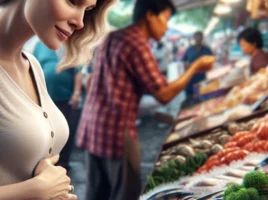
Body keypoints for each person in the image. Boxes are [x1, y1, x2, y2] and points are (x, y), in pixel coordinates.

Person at [0, 0, 115, 199]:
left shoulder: (32, 65)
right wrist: (35, 190)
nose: (80, 22)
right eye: (73, 1)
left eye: (88, 10)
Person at [76, 0, 215, 199]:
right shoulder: (136, 43)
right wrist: (196, 66)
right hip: (116, 132)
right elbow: (164, 94)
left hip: (93, 127)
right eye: (165, 20)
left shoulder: (113, 37)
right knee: (126, 193)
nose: (166, 27)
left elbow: (99, 83)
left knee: (97, 193)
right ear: (150, 15)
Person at [33, 41, 83, 170]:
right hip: (45, 98)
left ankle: (63, 162)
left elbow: (78, 71)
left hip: (66, 98)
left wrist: (76, 93)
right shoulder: (40, 45)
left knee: (66, 130)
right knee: (47, 131)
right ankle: (46, 163)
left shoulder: (71, 45)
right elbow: (33, 67)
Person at [182, 31, 214, 98]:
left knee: (203, 95)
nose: (198, 39)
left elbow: (212, 60)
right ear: (194, 38)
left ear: (202, 38)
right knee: (192, 97)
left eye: (200, 37)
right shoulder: (189, 49)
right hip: (192, 78)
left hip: (203, 77)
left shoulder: (206, 49)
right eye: (196, 37)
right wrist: (186, 70)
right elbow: (184, 61)